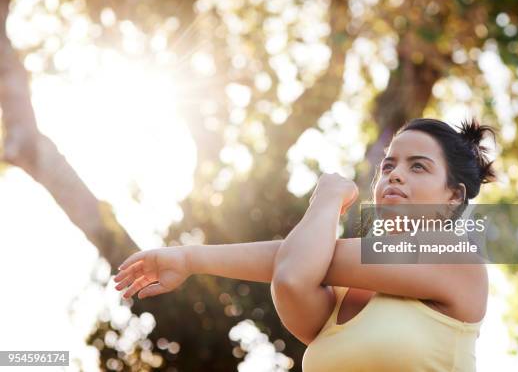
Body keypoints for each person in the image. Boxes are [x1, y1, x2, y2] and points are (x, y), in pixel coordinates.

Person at [114, 117, 496, 371]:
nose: (395, 175)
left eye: (418, 166)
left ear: (453, 197)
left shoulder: (456, 258)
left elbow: (295, 271)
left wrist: (327, 198)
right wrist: (187, 258)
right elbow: (292, 270)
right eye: (389, 165)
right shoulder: (344, 286)